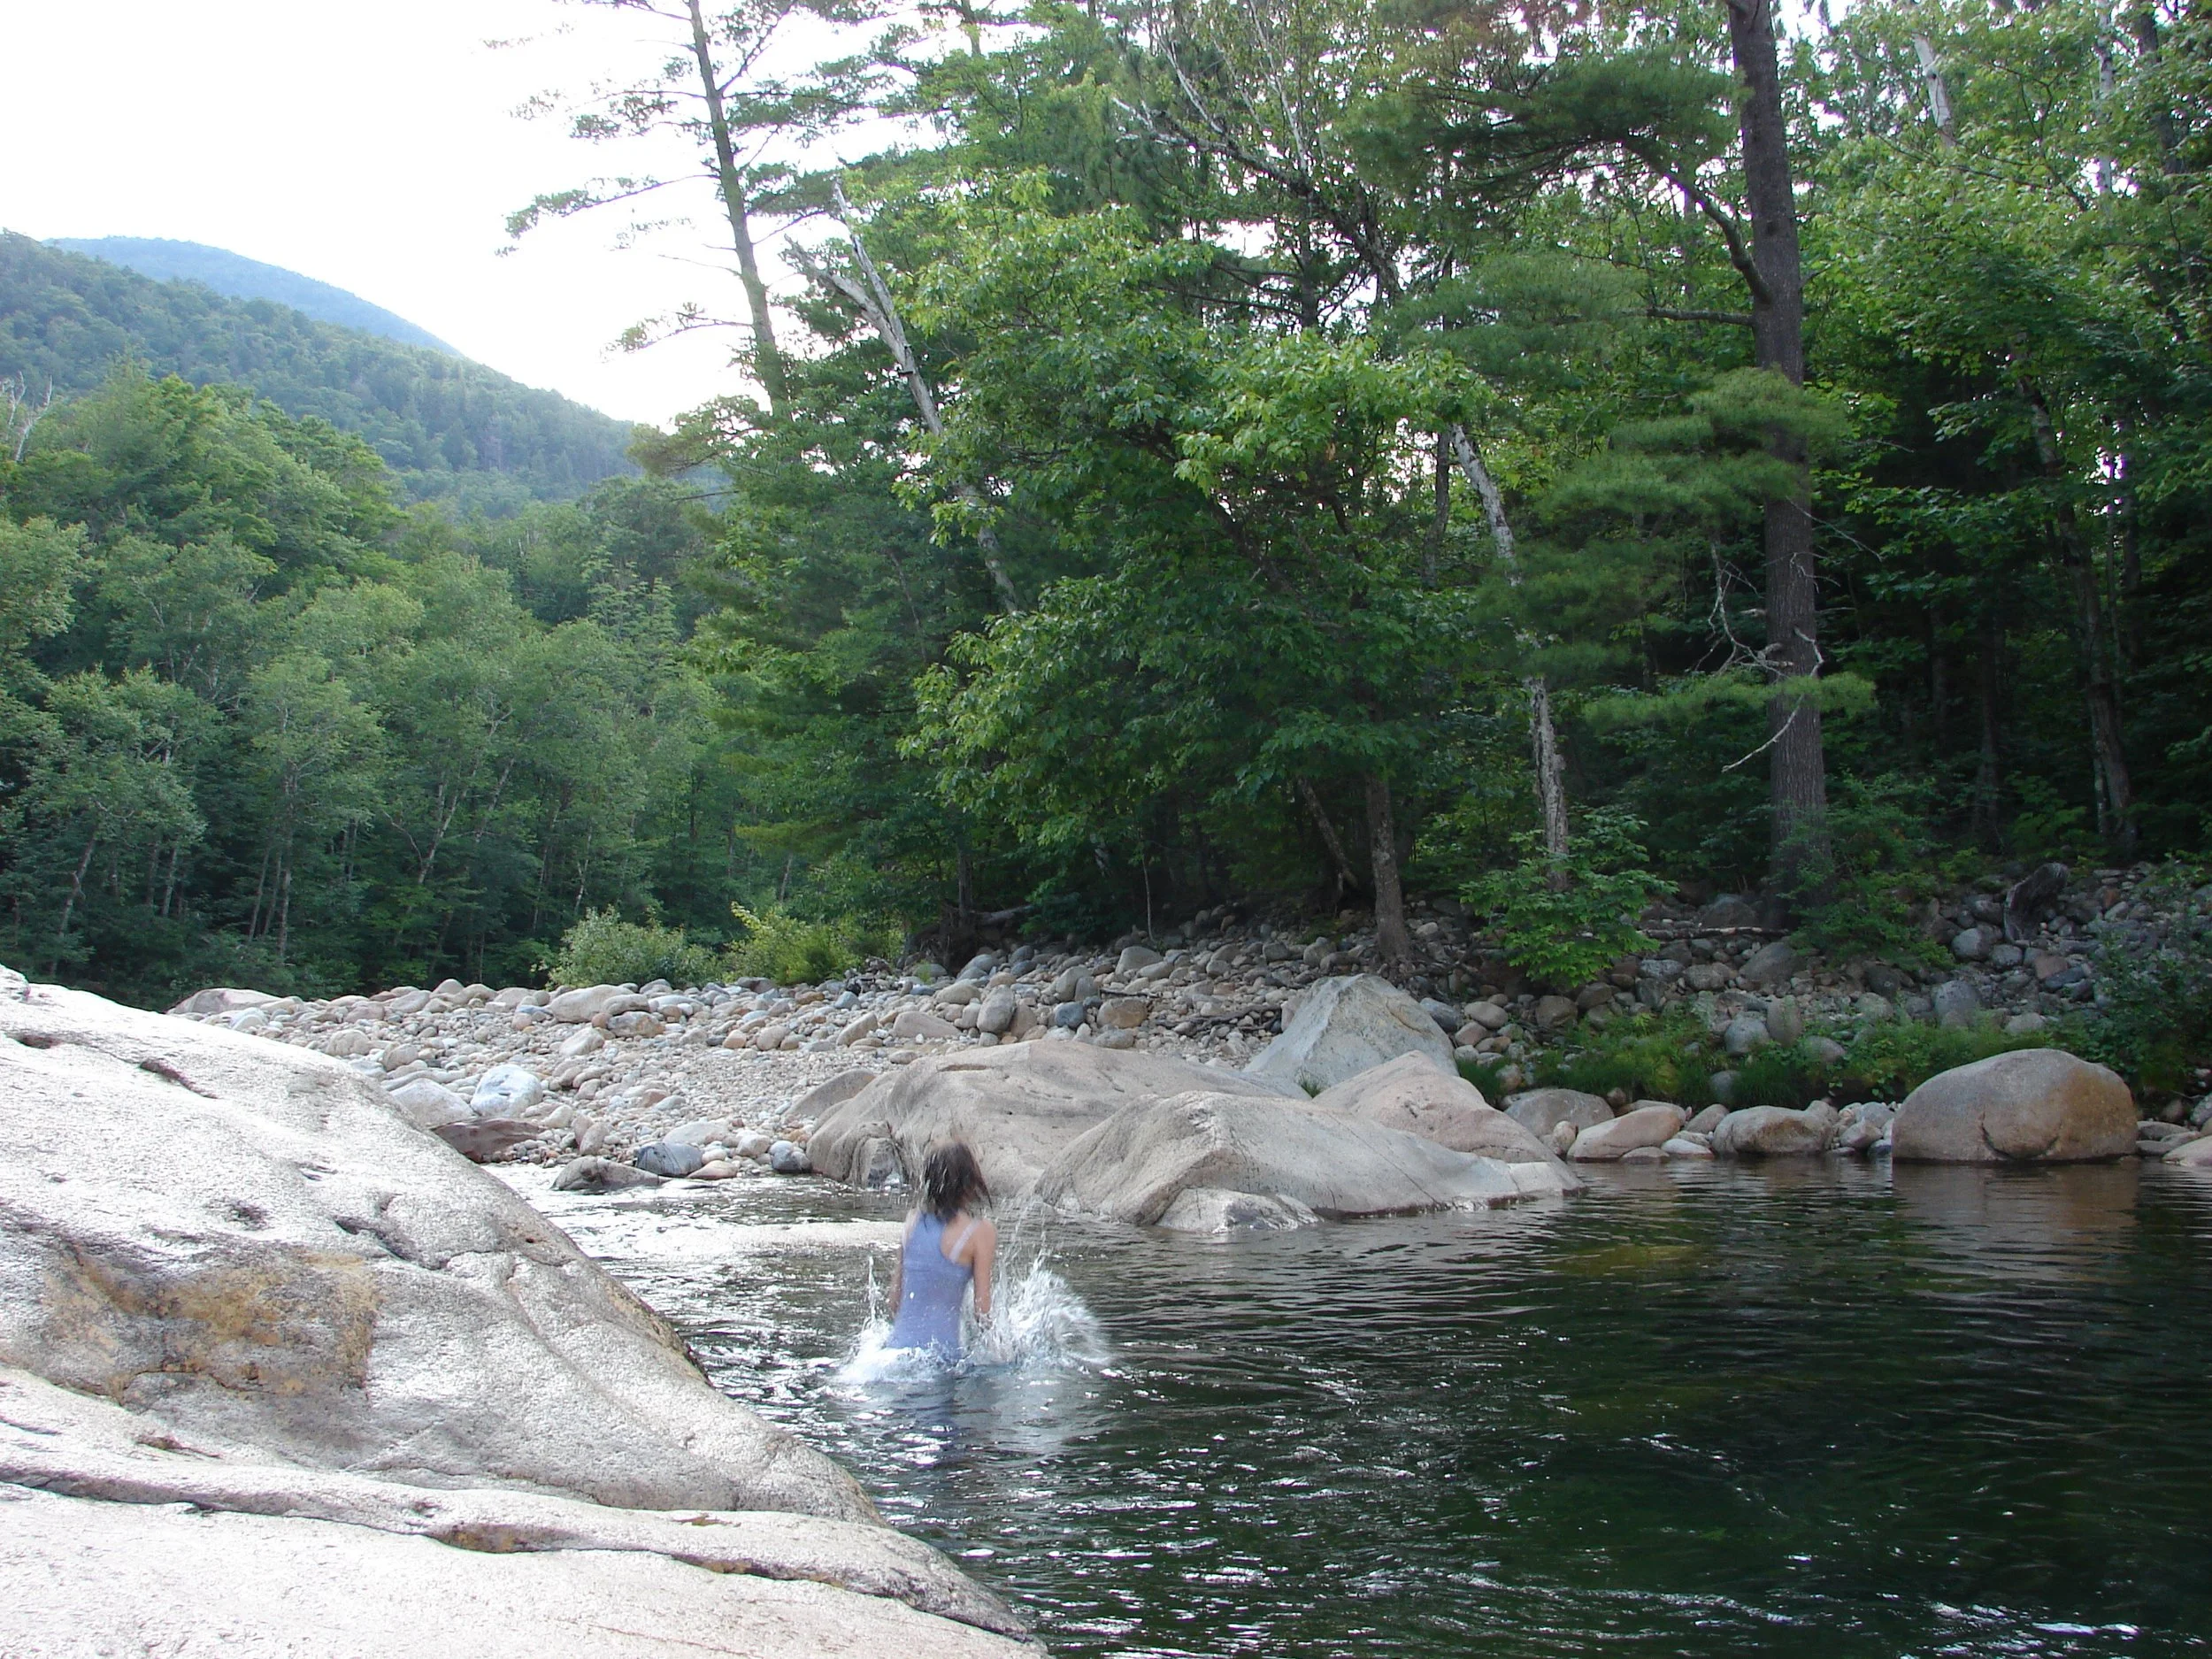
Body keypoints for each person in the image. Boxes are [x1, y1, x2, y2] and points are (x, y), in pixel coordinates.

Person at [883, 1141, 996, 1359]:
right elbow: (982, 1314)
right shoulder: (980, 1232)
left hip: (893, 1354)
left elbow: (894, 1302)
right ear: (970, 1182)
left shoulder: (912, 1222)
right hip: (941, 1361)